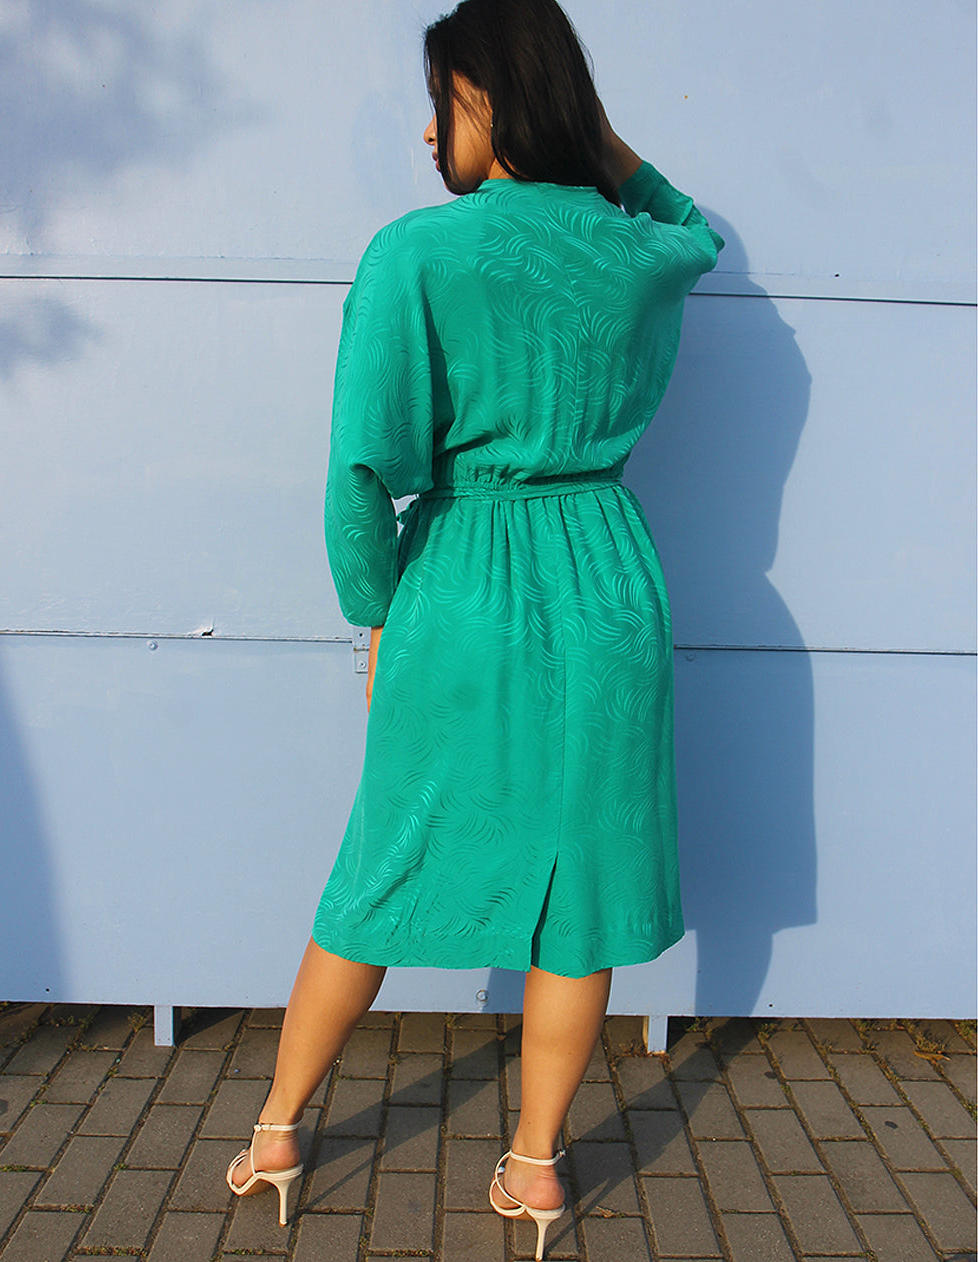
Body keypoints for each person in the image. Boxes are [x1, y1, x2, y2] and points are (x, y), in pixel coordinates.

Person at [226, 0, 723, 1256]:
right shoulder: (635, 252)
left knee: (387, 853)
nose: (426, 131)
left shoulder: (416, 253)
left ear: (487, 101)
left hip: (463, 578)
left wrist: (375, 611)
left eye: (440, 100)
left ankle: (278, 1129)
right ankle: (536, 1166)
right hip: (605, 577)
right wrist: (600, 143)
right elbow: (694, 232)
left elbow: (361, 471)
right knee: (581, 882)